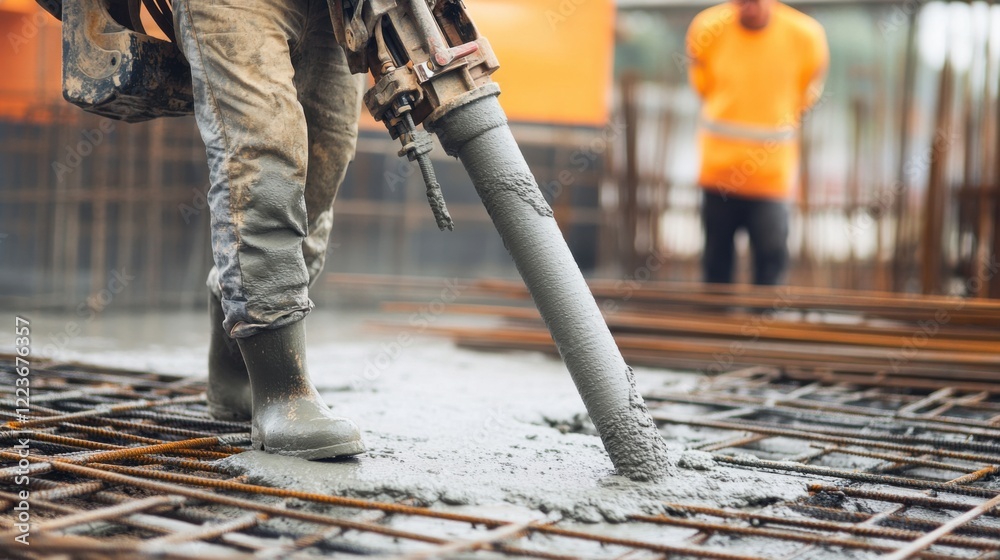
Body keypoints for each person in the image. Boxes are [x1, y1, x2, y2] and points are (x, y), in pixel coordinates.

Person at [172, 0, 366, 459]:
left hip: (339, 10)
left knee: (321, 170)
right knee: (265, 157)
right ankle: (283, 393)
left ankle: (235, 367)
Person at [686, 0, 828, 285]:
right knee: (716, 264)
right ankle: (718, 323)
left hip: (770, 178)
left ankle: (763, 324)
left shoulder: (804, 36)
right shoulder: (708, 28)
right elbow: (703, 85)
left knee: (770, 261)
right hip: (719, 174)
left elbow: (807, 93)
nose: (747, 7)